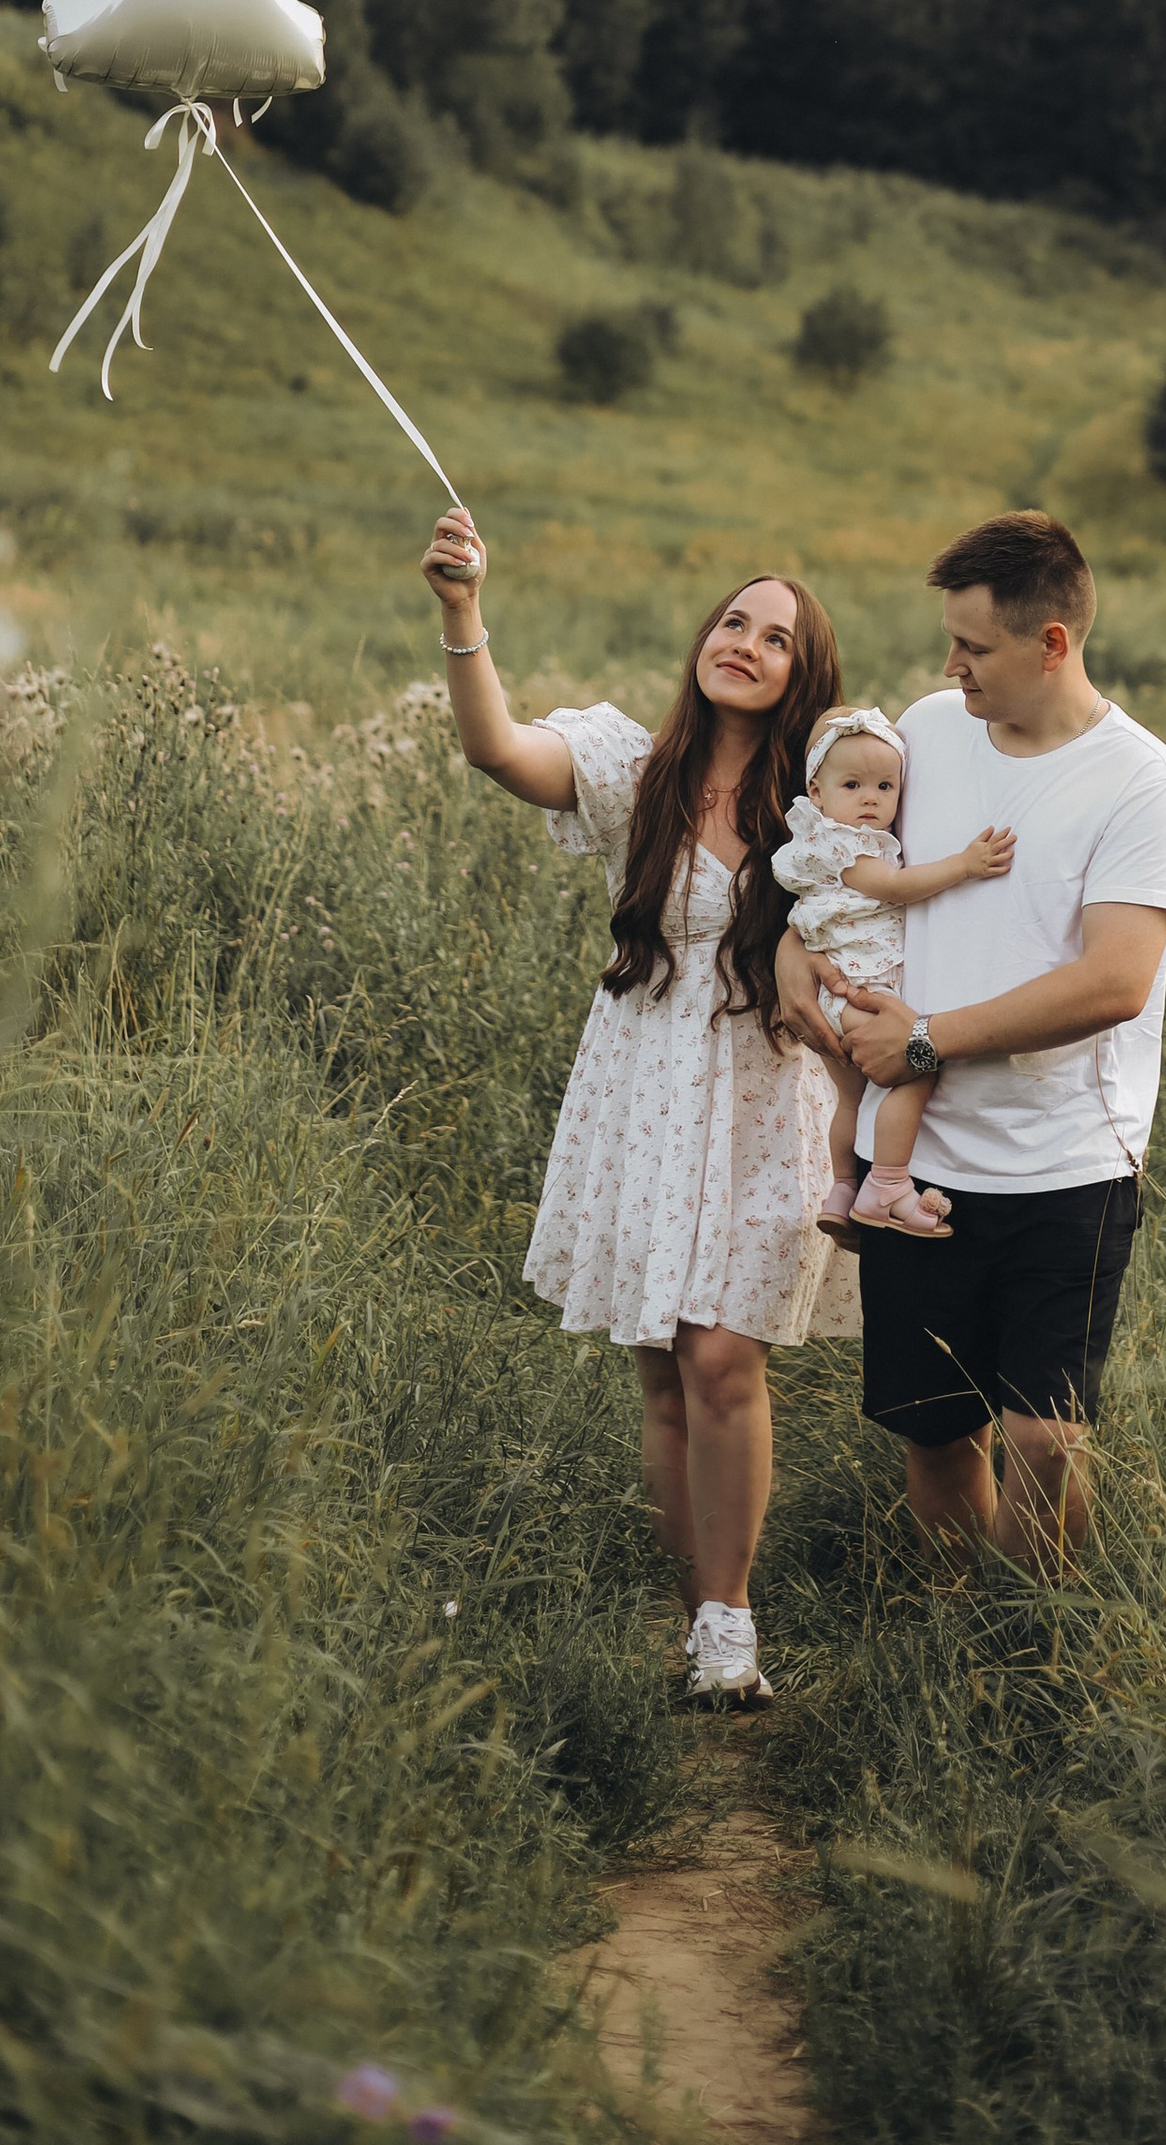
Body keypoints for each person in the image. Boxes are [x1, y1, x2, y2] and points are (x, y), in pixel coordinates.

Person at [419, 499, 860, 1711]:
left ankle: (731, 1619)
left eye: (774, 639)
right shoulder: (630, 767)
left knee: (725, 1360)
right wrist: (464, 614)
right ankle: (698, 1622)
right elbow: (498, 749)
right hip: (645, 1088)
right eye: (733, 621)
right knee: (665, 1369)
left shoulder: (822, 811)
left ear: (800, 675)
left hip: (769, 1097)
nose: (744, 643)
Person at [776, 510, 1166, 1575]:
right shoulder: (926, 728)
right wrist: (793, 965)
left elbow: (1114, 980)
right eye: (949, 642)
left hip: (1066, 1158)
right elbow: (843, 870)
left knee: (1045, 1437)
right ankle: (964, 1639)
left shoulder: (1142, 782)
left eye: (973, 646)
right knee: (935, 1430)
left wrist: (924, 1041)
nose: (948, 666)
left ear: (1051, 642)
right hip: (913, 1163)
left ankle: (1029, 1637)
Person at [771, 703, 1017, 1240]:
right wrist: (965, 864)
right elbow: (896, 888)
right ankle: (887, 1186)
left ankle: (841, 1189)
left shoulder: (819, 839)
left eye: (885, 787)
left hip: (834, 996)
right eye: (853, 785)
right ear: (816, 792)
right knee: (917, 1064)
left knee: (853, 1098)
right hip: (857, 994)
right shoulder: (847, 846)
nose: (869, 799)